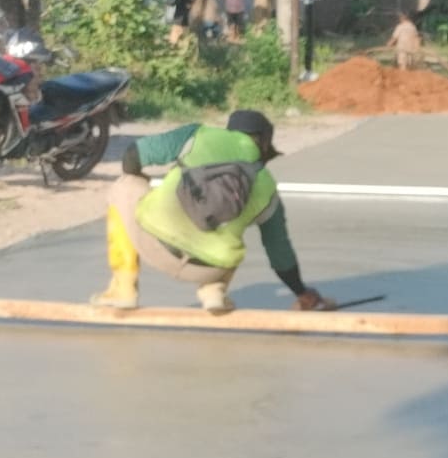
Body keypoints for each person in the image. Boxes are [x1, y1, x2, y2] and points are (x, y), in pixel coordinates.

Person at [98, 110, 337, 315]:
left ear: (230, 130)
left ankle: (124, 287)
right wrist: (303, 294)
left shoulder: (197, 135)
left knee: (125, 185)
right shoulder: (267, 186)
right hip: (208, 270)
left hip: (154, 246)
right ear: (264, 144)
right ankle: (213, 292)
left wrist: (144, 184)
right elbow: (280, 255)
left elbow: (132, 155)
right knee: (232, 233)